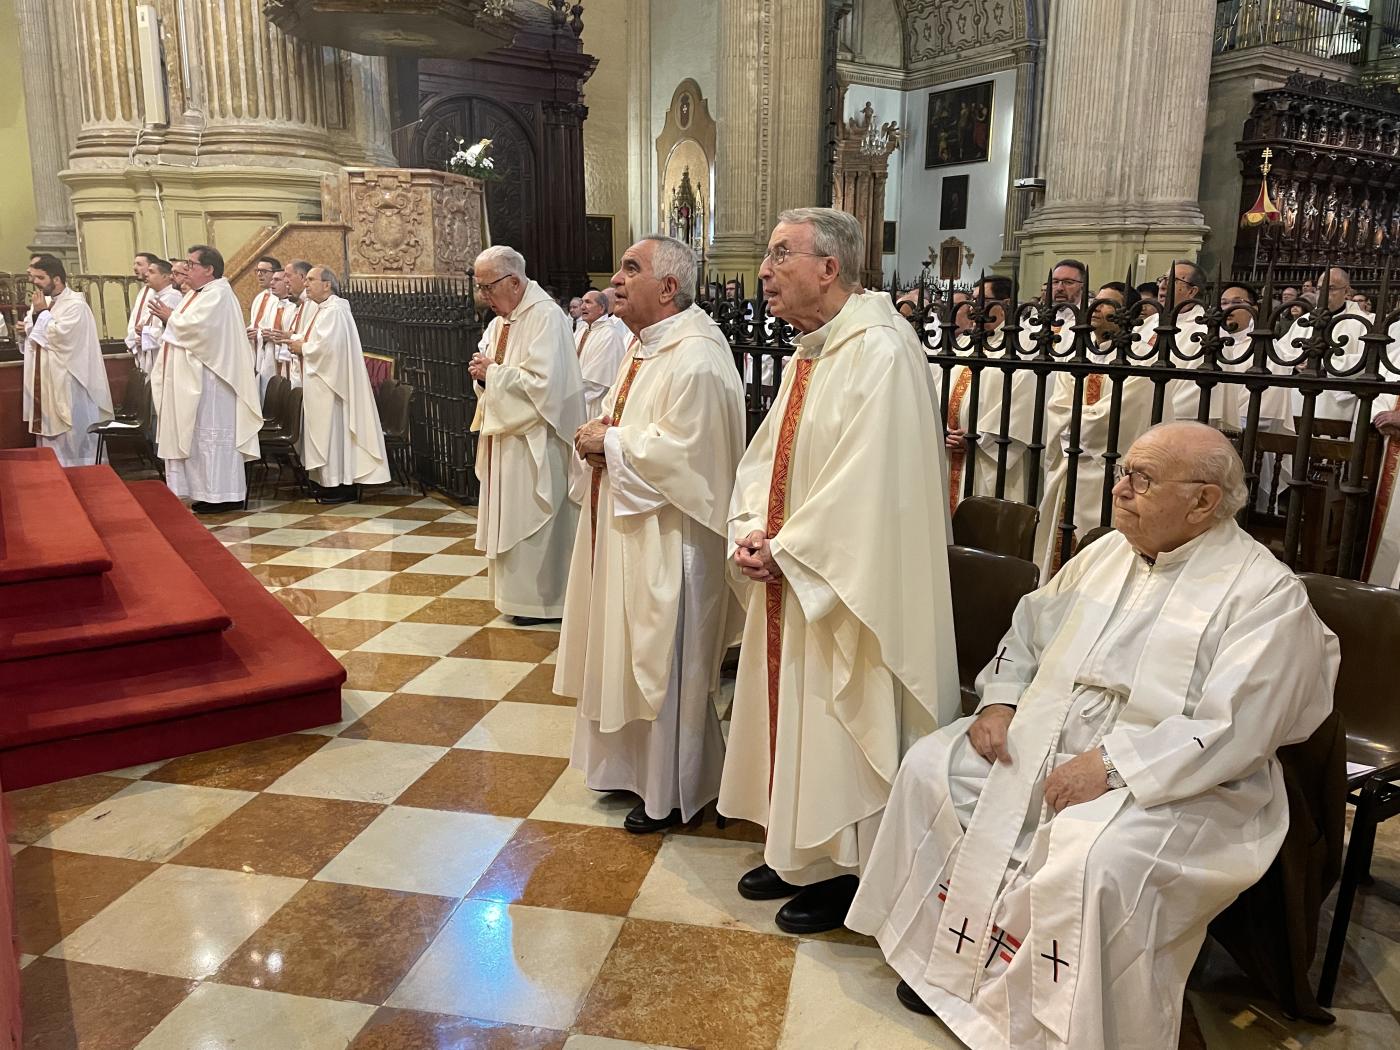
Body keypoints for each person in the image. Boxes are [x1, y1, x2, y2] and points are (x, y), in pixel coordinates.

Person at [847, 422, 1338, 1050]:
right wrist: (999, 701)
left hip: (1181, 774)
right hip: (1051, 724)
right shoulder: (1108, 552)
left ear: (1203, 502)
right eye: (1124, 471)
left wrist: (1109, 766)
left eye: (1142, 479)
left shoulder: (1264, 594)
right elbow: (1028, 630)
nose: (1119, 489)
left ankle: (1053, 1018)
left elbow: (1235, 726)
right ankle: (947, 958)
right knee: (930, 768)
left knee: (1100, 860)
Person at [719, 207, 961, 934]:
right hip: (793, 571)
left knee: (839, 709)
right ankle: (798, 847)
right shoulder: (815, 350)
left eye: (779, 255)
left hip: (849, 584)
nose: (764, 271)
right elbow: (768, 455)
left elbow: (869, 486)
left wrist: (789, 548)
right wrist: (751, 527)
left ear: (829, 268)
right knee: (797, 708)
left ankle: (850, 867)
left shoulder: (879, 350)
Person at [556, 234, 746, 833]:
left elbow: (691, 457)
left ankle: (672, 788)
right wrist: (602, 433)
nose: (615, 278)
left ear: (667, 287)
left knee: (661, 659)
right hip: (627, 527)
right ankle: (625, 768)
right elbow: (627, 422)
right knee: (620, 647)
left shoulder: (698, 357)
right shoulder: (644, 348)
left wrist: (609, 442)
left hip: (673, 541)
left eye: (630, 268)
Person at [469, 246, 587, 624]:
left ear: (515, 282)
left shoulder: (546, 317)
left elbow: (544, 386)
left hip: (537, 440)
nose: (483, 296)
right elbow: (488, 367)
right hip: (506, 438)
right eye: (479, 287)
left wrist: (492, 374)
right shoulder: (500, 322)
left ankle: (544, 601)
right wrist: (483, 376)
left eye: (488, 287)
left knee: (536, 517)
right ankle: (514, 598)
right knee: (510, 519)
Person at [1034, 282, 1157, 575]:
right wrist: (1080, 419)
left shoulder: (1143, 357)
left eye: (1106, 303)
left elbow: (1120, 415)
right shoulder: (1079, 352)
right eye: (1095, 302)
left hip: (1107, 469)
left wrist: (1077, 420)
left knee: (1102, 551)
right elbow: (1057, 408)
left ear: (1127, 313)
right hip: (1070, 464)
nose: (1095, 309)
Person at [150, 244, 261, 513]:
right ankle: (206, 492)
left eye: (192, 264)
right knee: (199, 440)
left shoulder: (219, 294)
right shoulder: (197, 294)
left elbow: (201, 332)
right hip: (196, 380)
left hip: (214, 382)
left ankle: (224, 494)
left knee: (212, 438)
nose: (186, 269)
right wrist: (170, 320)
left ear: (209, 269)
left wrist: (170, 318)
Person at [273, 266, 390, 504]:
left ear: (327, 285)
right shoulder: (323, 309)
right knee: (323, 435)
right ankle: (326, 482)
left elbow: (329, 349)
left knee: (334, 435)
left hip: (332, 388)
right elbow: (315, 339)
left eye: (311, 280)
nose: (306, 284)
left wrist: (302, 347)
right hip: (321, 384)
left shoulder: (335, 311)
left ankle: (341, 485)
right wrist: (294, 339)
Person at [946, 274, 1044, 509]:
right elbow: (942, 386)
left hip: (988, 454)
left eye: (982, 300)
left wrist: (979, 437)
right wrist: (943, 429)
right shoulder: (965, 342)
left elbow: (1023, 401)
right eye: (972, 299)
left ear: (1006, 304)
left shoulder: (1023, 345)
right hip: (951, 448)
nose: (974, 307)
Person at [20, 254, 113, 466]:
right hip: (48, 378)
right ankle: (55, 469)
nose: (35, 282)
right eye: (34, 277)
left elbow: (60, 337)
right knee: (52, 431)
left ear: (57, 279)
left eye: (41, 278)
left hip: (70, 380)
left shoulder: (75, 305)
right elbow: (34, 331)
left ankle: (82, 469)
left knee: (73, 430)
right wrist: (32, 320)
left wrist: (41, 314)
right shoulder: (46, 302)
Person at [574, 288, 631, 419]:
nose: (583, 306)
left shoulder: (609, 335)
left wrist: (569, 391)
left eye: (588, 302)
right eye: (582, 302)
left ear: (601, 308)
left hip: (593, 403)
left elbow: (596, 382)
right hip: (575, 398)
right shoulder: (582, 330)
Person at [134, 259, 183, 375]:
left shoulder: (173, 297)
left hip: (165, 359)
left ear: (165, 276)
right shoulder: (159, 296)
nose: (146, 274)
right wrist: (142, 334)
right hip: (153, 356)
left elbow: (171, 331)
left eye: (151, 272)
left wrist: (145, 333)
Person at [247, 255, 283, 397]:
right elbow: (255, 323)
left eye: (264, 271)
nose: (259, 274)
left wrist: (259, 333)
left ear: (275, 273)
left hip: (272, 352)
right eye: (257, 271)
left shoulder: (279, 299)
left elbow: (277, 327)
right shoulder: (259, 297)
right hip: (258, 351)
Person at [123, 251, 163, 361]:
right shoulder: (143, 291)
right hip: (140, 345)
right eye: (134, 264)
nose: (135, 268)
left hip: (151, 346)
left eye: (139, 264)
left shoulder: (157, 291)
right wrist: (132, 340)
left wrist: (142, 337)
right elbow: (135, 319)